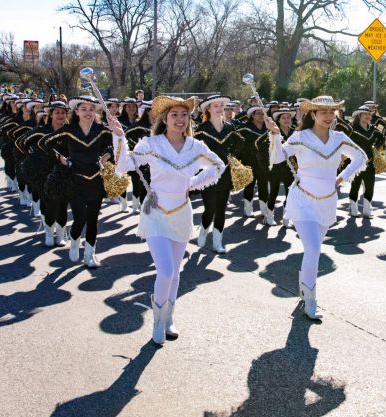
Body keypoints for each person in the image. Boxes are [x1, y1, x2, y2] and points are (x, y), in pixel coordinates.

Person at [110, 96, 225, 345]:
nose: (180, 119)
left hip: (182, 211)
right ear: (164, 118)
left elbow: (218, 165)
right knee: (165, 271)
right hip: (157, 212)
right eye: (174, 115)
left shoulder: (195, 146)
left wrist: (193, 184)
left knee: (176, 273)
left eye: (184, 115)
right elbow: (123, 165)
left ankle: (168, 318)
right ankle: (158, 322)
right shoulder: (152, 143)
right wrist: (119, 137)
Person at [268, 96, 367, 319]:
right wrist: (275, 135)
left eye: (332, 112)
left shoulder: (339, 138)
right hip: (303, 200)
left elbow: (361, 157)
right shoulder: (301, 137)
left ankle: (305, 288)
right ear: (313, 114)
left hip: (328, 200)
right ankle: (311, 299)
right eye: (323, 112)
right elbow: (277, 158)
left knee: (313, 250)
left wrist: (342, 178)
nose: (329, 117)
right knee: (313, 249)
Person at [38, 95, 115, 268]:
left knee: (93, 219)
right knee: (80, 218)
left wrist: (107, 156)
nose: (88, 113)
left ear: (95, 111)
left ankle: (90, 254)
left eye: (91, 109)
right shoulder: (68, 130)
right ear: (77, 111)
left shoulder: (101, 130)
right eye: (83, 109)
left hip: (95, 180)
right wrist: (61, 158)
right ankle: (74, 241)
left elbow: (115, 144)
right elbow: (45, 143)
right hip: (75, 180)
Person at [193, 94, 244, 253]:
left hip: (226, 173)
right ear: (208, 108)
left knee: (221, 209)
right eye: (215, 106)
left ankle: (217, 242)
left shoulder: (230, 128)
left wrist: (232, 156)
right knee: (210, 209)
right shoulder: (202, 129)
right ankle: (204, 228)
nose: (219, 109)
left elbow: (241, 144)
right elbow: (193, 151)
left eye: (221, 106)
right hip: (208, 175)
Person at [16, 100, 70, 247]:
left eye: (63, 112)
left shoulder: (70, 131)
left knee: (63, 204)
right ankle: (48, 232)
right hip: (43, 173)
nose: (60, 115)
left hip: (64, 173)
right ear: (50, 114)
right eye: (57, 112)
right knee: (49, 205)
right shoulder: (41, 131)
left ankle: (60, 235)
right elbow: (21, 143)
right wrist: (32, 156)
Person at [256, 107, 296, 226]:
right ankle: (269, 216)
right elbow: (258, 144)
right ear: (278, 120)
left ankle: (286, 218)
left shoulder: (295, 132)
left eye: (289, 117)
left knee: (290, 192)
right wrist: (266, 163)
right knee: (274, 192)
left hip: (290, 167)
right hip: (275, 168)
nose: (287, 120)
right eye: (283, 118)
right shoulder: (271, 133)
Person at [347, 105, 385, 218]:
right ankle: (353, 209)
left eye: (369, 114)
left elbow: (382, 139)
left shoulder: (373, 129)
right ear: (359, 116)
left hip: (370, 162)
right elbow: (345, 143)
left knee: (370, 186)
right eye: (365, 114)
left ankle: (367, 210)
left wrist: (376, 149)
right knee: (355, 186)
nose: (368, 116)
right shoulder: (352, 129)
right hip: (356, 162)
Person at [235, 104, 270, 219]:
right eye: (258, 113)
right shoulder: (244, 128)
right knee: (249, 185)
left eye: (262, 113)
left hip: (264, 161)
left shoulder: (268, 127)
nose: (261, 115)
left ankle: (264, 210)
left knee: (263, 185)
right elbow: (239, 145)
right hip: (249, 161)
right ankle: (248, 210)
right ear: (252, 115)